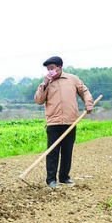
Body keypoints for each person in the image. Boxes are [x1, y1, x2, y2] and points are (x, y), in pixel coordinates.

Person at [34, 56, 94, 188]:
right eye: (48, 69)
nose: (50, 71)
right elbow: (38, 100)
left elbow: (84, 91)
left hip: (70, 121)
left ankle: (64, 177)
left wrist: (88, 103)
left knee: (67, 151)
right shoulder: (45, 83)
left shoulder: (72, 79)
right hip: (53, 122)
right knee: (52, 151)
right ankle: (51, 180)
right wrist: (44, 84)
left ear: (60, 67)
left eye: (52, 68)